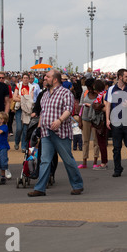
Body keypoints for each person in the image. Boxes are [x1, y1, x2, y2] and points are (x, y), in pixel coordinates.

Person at [28, 69, 84, 197]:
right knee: (45, 160)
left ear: (55, 79)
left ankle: (77, 185)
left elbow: (68, 110)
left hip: (61, 133)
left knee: (68, 160)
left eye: (47, 76)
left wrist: (59, 120)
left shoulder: (65, 93)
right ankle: (40, 188)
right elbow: (43, 113)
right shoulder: (45, 94)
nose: (44, 78)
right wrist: (39, 127)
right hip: (46, 132)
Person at [105, 69, 127, 177]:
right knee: (116, 147)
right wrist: (107, 119)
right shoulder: (111, 89)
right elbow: (108, 105)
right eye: (126, 76)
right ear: (120, 77)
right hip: (116, 121)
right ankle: (117, 168)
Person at [78, 78, 100, 170]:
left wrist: (91, 106)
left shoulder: (99, 94)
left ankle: (95, 161)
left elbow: (100, 106)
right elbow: (81, 107)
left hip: (95, 120)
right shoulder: (85, 93)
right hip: (85, 118)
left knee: (96, 141)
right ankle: (84, 161)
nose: (89, 89)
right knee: (85, 141)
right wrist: (79, 120)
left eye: (90, 87)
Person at [13, 73, 36, 153]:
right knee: (19, 128)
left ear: (29, 79)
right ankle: (16, 141)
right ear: (22, 78)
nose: (25, 79)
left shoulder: (31, 87)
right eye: (24, 78)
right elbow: (14, 97)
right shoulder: (18, 86)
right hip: (19, 108)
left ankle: (23, 145)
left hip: (27, 109)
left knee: (26, 128)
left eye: (27, 78)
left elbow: (31, 99)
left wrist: (21, 97)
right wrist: (24, 99)